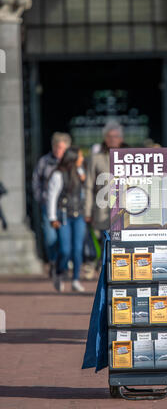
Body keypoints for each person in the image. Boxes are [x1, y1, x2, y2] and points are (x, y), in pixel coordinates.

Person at [84, 121, 126, 270]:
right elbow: (88, 186)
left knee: (121, 243)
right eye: (110, 136)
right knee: (105, 241)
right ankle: (104, 268)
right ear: (105, 138)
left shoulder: (130, 156)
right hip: (102, 208)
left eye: (116, 136)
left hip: (124, 209)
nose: (113, 139)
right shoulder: (96, 158)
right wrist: (87, 211)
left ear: (121, 138)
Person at [32, 133, 72, 277]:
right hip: (48, 205)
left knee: (65, 239)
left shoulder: (70, 163)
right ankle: (54, 262)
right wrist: (41, 198)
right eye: (56, 146)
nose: (58, 150)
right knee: (50, 237)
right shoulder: (44, 161)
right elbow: (36, 181)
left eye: (61, 147)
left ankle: (64, 265)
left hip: (65, 207)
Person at [47, 146, 86, 293]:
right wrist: (52, 217)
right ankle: (59, 272)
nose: (82, 159)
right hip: (63, 215)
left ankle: (75, 279)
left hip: (79, 215)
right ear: (73, 158)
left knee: (77, 249)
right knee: (65, 249)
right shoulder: (58, 174)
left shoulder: (80, 172)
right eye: (80, 157)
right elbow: (52, 197)